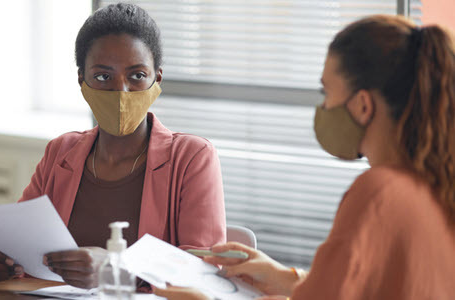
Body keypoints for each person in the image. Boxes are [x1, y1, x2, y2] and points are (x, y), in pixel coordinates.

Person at [155, 15, 455, 300]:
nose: (323, 107)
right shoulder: (437, 182)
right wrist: (288, 279)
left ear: (363, 105)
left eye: (326, 93)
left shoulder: (380, 192)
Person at [0, 3, 226, 289]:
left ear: (157, 79)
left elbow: (205, 272)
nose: (121, 91)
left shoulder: (192, 157)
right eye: (103, 77)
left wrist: (115, 269)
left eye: (137, 76)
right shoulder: (61, 152)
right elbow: (22, 249)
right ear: (82, 79)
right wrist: (2, 263)